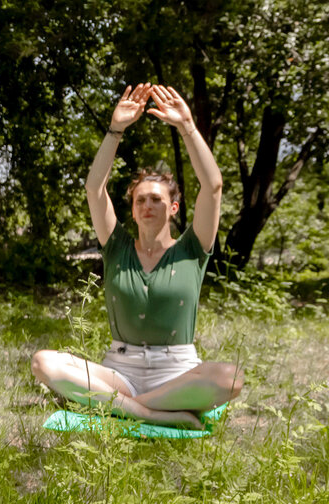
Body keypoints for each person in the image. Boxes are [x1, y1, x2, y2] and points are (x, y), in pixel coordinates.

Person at [30, 83, 243, 428]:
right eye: (140, 200)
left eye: (156, 199)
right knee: (43, 362)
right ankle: (149, 413)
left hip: (178, 373)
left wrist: (188, 126)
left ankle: (117, 407)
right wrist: (115, 130)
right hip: (121, 372)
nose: (147, 205)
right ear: (131, 209)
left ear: (173, 208)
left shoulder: (193, 249)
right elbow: (94, 189)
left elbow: (213, 186)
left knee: (230, 377)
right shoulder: (117, 247)